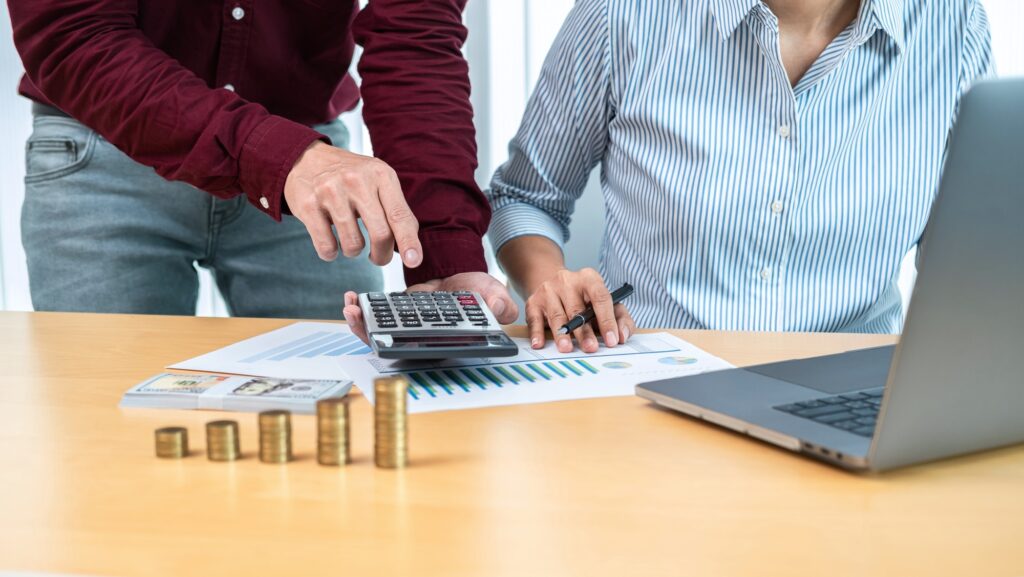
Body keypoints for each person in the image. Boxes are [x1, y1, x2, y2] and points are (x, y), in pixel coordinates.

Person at [487, 0, 992, 353]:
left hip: (859, 389)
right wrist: (549, 281)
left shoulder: (955, 25)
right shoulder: (623, 14)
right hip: (655, 381)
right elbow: (524, 198)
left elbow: (969, 250)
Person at [8, 0, 516, 322]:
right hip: (107, 155)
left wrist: (444, 255)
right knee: (109, 439)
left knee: (347, 424)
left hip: (312, 174)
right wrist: (278, 156)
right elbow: (74, 34)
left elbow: (414, 38)